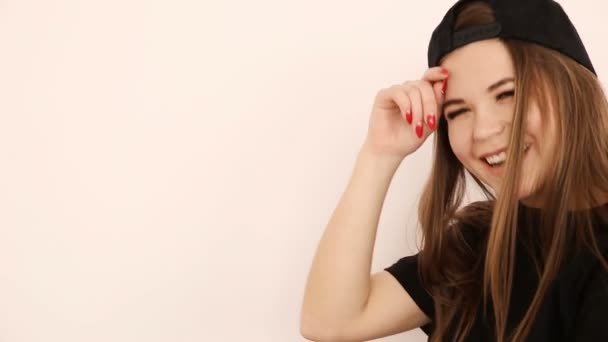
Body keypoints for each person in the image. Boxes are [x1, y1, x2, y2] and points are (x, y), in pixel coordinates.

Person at [300, 0, 608, 341]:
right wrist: (379, 153)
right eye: (458, 111)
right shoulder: (476, 245)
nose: (483, 131)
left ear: (572, 89)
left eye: (507, 93)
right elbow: (330, 323)